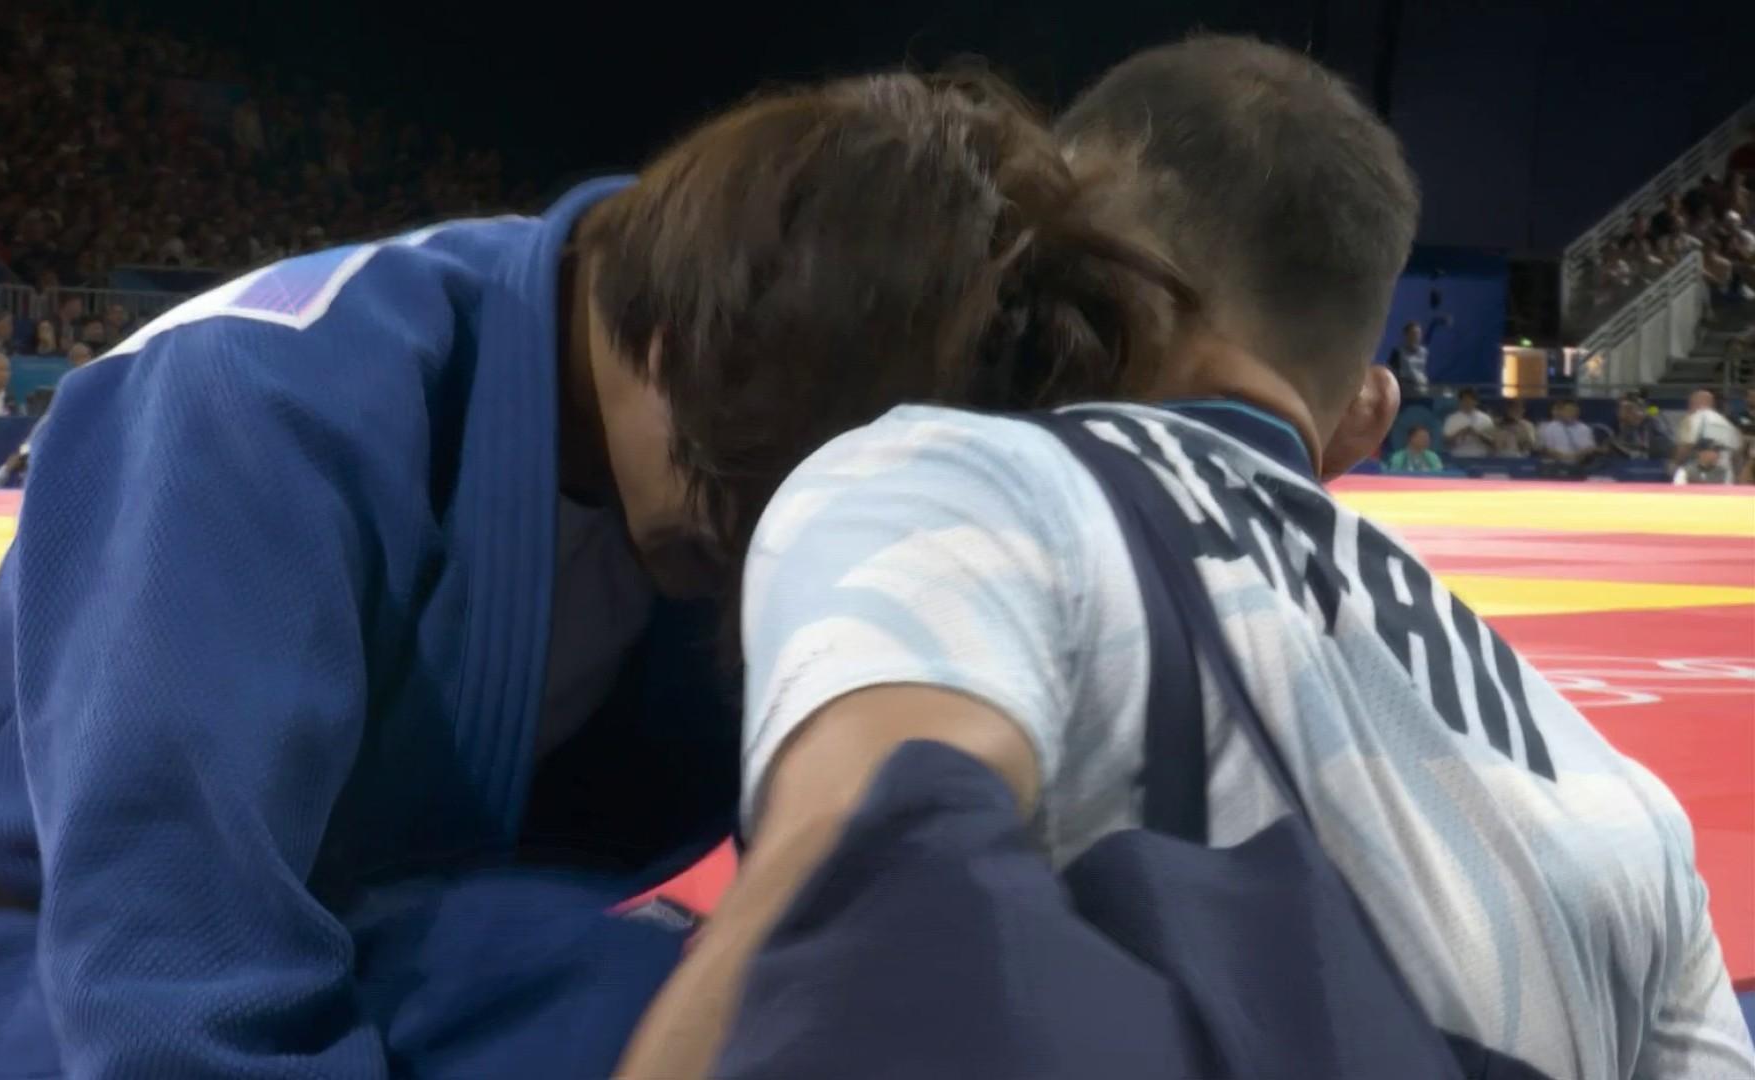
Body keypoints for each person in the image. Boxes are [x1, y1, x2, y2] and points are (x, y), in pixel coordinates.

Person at [0, 72, 1187, 1078]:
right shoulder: (260, 404)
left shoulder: (726, 436)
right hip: (41, 980)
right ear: (680, 342)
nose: (749, 567)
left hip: (420, 938)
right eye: (758, 512)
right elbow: (170, 984)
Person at [620, 37, 1755, 1080]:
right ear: (1366, 419)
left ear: (1068, 263)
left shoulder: (961, 484)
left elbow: (853, 916)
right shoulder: (1631, 811)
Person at [1676, 389, 1742, 464]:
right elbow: (1738, 453)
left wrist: (1675, 463)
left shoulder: (1693, 419)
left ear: (1694, 403)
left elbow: (1686, 445)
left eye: (1690, 404)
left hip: (1700, 470)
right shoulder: (1728, 424)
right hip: (1726, 471)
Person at [1538, 398, 1599, 476]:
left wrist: (1577, 456)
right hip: (1555, 466)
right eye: (1568, 410)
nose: (1571, 413)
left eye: (1574, 410)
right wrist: (1563, 457)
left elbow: (1589, 448)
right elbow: (1546, 449)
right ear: (1561, 412)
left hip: (1579, 466)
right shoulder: (1550, 427)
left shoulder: (1584, 428)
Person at [1608, 394, 1674, 462]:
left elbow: (1655, 411)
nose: (1626, 414)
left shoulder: (1653, 419)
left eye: (1629, 409)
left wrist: (1642, 412)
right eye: (1622, 409)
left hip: (1660, 462)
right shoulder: (1625, 426)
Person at [1440, 387, 1495, 458]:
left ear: (1476, 401)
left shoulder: (1486, 419)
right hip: (1458, 457)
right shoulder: (1451, 419)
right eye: (1465, 400)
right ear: (1460, 402)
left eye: (1471, 400)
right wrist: (1460, 433)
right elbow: (1446, 443)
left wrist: (1477, 435)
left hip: (1481, 458)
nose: (1468, 403)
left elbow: (1493, 444)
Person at [1385, 319, 1430, 396]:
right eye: (1413, 333)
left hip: (1422, 389)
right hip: (1406, 391)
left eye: (1418, 333)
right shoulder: (1398, 352)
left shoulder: (1424, 352)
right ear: (1406, 335)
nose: (1416, 336)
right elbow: (1390, 371)